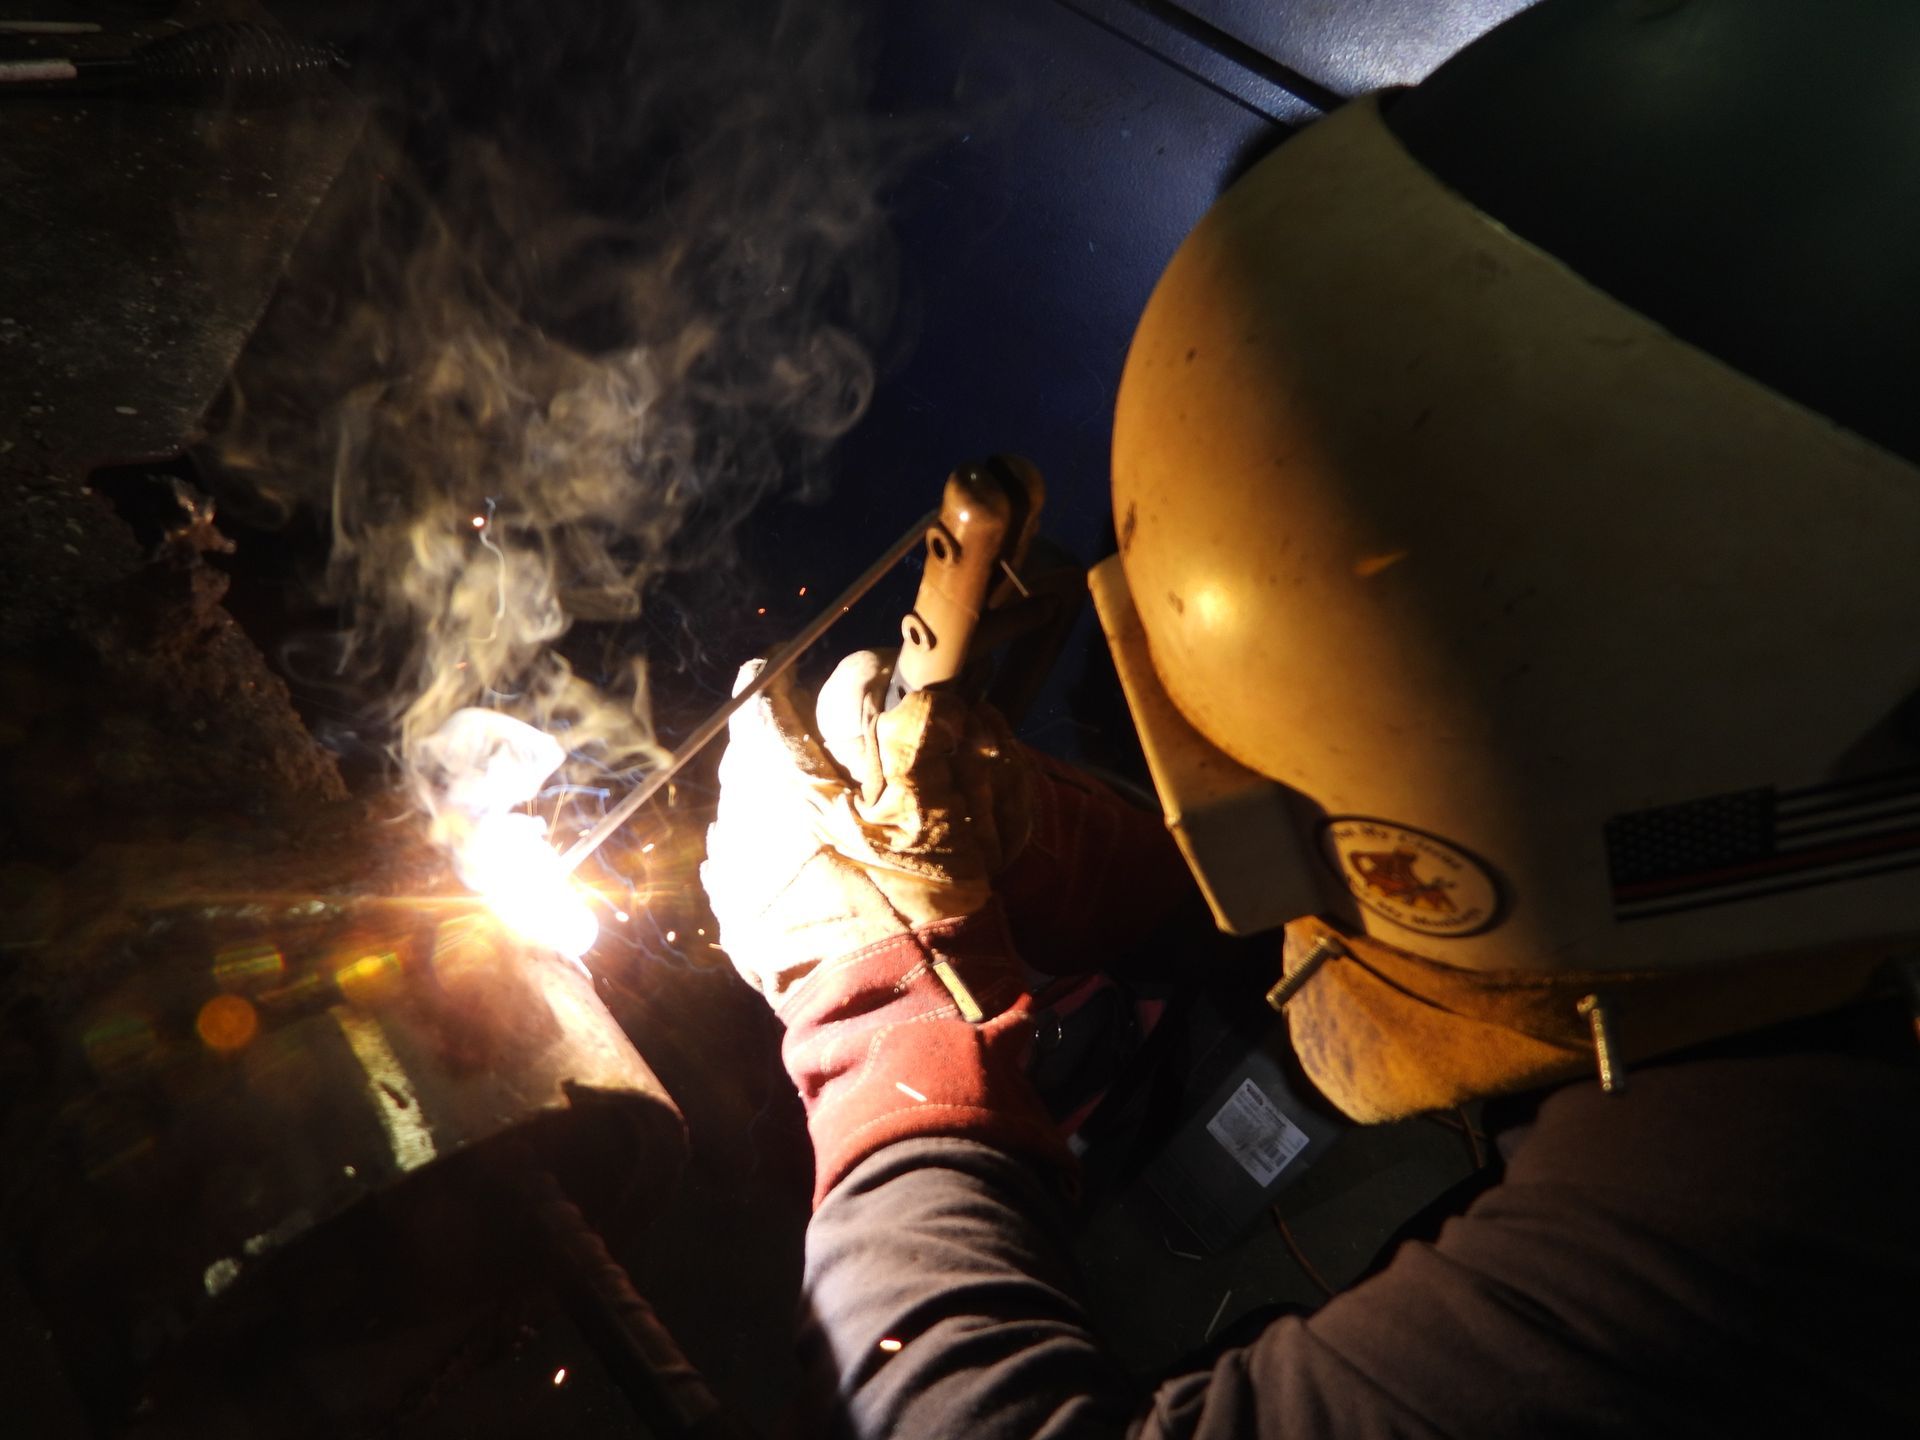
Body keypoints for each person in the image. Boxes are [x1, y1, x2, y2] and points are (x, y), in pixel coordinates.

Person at [699, 0, 1920, 1433]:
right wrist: (1049, 852)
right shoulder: (1737, 894)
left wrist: (876, 1009)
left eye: (1279, 813)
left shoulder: (1788, 1223)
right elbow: (1429, 902)